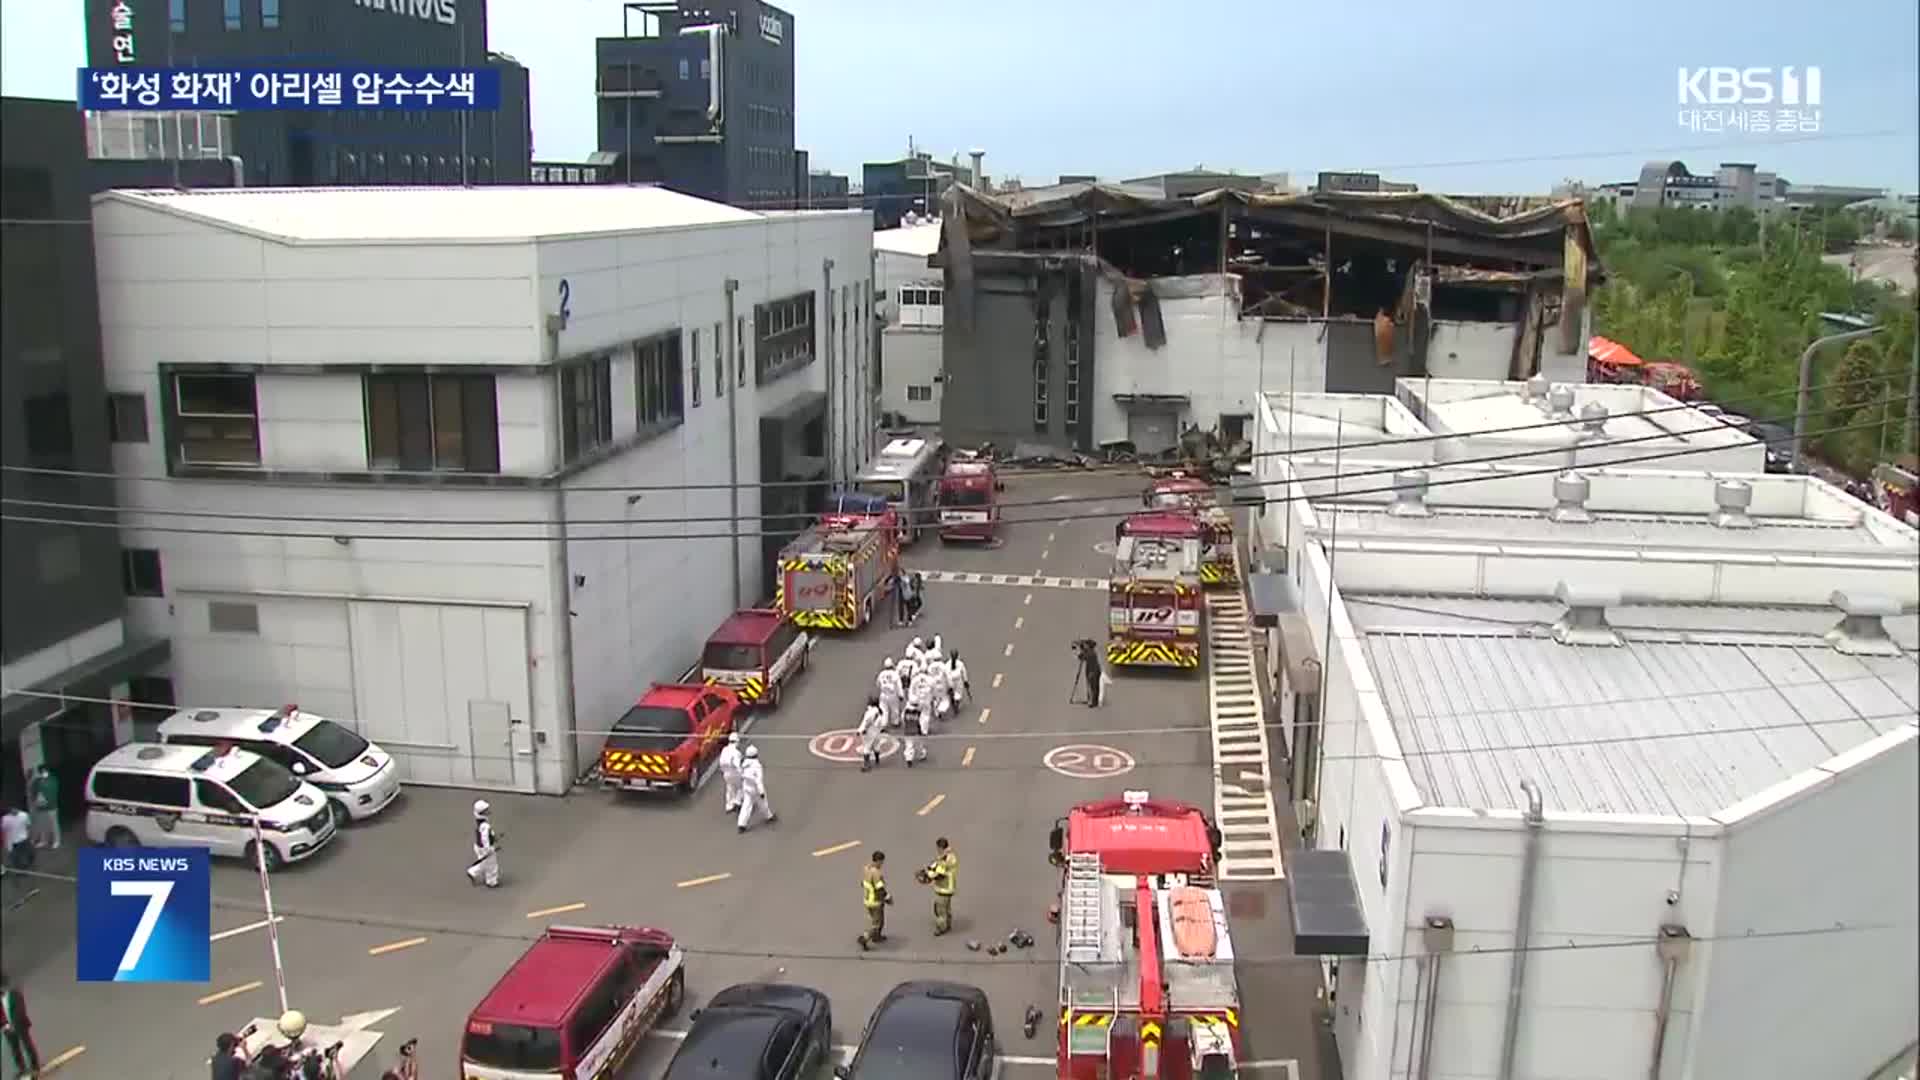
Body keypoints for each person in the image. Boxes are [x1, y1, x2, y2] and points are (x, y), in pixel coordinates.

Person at [0, 971, 39, 1079]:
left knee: (27, 1046)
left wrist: (13, 1025)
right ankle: (22, 1069)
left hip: (20, 1025)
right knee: (15, 1050)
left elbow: (20, 1011)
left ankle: (34, 1066)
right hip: (7, 1028)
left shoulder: (15, 994)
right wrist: (5, 1026)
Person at [856, 851, 891, 951]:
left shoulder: (867, 869)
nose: (882, 864)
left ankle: (877, 937)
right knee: (877, 923)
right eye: (882, 862)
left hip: (867, 900)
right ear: (879, 861)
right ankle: (865, 938)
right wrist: (888, 898)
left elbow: (863, 883)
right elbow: (880, 889)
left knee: (878, 921)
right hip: (875, 902)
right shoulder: (876, 873)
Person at [736, 746, 775, 833]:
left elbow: (741, 774)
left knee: (746, 805)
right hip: (755, 788)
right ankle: (768, 816)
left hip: (746, 787)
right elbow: (758, 780)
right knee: (762, 802)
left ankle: (741, 824)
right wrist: (761, 791)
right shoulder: (757, 765)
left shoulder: (743, 764)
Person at [925, 838, 958, 936]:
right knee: (947, 907)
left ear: (940, 847)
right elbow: (936, 865)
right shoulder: (950, 856)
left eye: (938, 848)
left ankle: (941, 927)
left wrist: (928, 874)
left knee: (940, 909)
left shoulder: (945, 858)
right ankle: (948, 924)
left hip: (944, 888)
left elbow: (939, 873)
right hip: (949, 887)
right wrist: (930, 868)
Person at [903, 663, 934, 766]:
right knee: (920, 732)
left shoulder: (915, 679)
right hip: (925, 703)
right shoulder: (930, 680)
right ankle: (921, 752)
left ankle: (909, 757)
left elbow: (911, 692)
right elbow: (933, 692)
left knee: (909, 739)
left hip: (909, 721)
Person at [466, 800, 501, 888]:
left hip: (479, 847)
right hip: (485, 848)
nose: (489, 811)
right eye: (487, 810)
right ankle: (491, 881)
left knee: (485, 863)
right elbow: (485, 838)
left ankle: (473, 872)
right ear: (483, 812)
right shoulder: (485, 825)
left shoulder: (481, 822)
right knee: (492, 864)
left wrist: (493, 837)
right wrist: (488, 849)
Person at [27, 766, 58, 851]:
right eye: (41, 771)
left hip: (51, 807)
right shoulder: (37, 781)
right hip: (40, 807)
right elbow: (32, 791)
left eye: (44, 771)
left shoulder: (52, 779)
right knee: (42, 824)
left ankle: (56, 841)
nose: (43, 773)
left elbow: (53, 792)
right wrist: (35, 802)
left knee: (53, 825)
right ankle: (43, 841)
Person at [717, 732, 745, 815]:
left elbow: (721, 762)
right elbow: (737, 764)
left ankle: (729, 806)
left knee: (730, 788)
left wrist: (723, 770)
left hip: (726, 773)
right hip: (734, 772)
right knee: (742, 787)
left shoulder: (724, 750)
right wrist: (742, 773)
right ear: (737, 741)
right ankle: (737, 801)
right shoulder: (736, 752)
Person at [857, 694, 887, 772]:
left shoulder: (869, 712)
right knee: (876, 745)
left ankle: (867, 765)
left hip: (870, 732)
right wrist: (881, 729)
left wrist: (860, 730)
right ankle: (877, 759)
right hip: (877, 731)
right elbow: (882, 723)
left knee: (867, 747)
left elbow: (865, 722)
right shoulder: (880, 711)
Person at [876, 658, 904, 731]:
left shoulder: (881, 674)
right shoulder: (895, 674)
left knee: (884, 710)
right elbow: (898, 685)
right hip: (892, 695)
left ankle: (883, 725)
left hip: (883, 694)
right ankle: (895, 723)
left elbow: (878, 684)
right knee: (894, 709)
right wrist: (901, 695)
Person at [927, 647, 953, 723]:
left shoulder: (930, 667)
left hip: (933, 684)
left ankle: (936, 712)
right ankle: (941, 709)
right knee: (944, 698)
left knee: (935, 699)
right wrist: (950, 685)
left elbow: (928, 676)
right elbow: (948, 676)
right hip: (942, 684)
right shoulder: (943, 666)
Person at [0, 806, 29, 874]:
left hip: (17, 840)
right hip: (15, 840)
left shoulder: (5, 818)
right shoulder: (6, 818)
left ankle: (20, 868)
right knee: (17, 855)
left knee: (18, 855)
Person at [945, 650, 970, 716]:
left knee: (951, 692)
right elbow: (964, 673)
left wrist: (947, 683)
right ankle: (957, 703)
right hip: (958, 680)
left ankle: (953, 702)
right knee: (958, 693)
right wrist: (965, 681)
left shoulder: (947, 664)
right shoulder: (960, 663)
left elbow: (946, 674)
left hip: (950, 680)